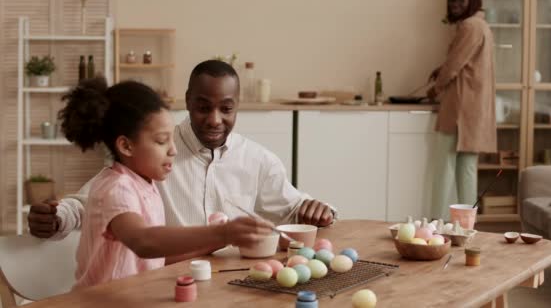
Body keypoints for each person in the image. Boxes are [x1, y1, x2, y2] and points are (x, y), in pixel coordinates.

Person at [28, 60, 335, 241]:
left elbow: (294, 207)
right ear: (187, 101)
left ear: (237, 106)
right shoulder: (152, 150)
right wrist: (57, 219)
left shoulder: (258, 160)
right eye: (203, 107)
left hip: (234, 285)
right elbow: (91, 202)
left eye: (226, 108)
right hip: (164, 284)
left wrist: (317, 210)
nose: (215, 119)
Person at [59, 79, 273, 288]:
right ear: (126, 146)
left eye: (172, 139)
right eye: (162, 141)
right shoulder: (117, 188)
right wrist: (222, 232)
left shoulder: (145, 185)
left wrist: (216, 242)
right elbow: (144, 242)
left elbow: (156, 256)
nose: (174, 150)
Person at [427, 0, 497, 220]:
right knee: (466, 169)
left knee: (444, 168)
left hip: (460, 107)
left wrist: (435, 89)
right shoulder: (481, 25)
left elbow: (455, 66)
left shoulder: (469, 26)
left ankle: (435, 225)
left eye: (460, 0)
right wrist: (441, 69)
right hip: (473, 110)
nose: (455, 5)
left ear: (472, 2)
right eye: (452, 0)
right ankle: (466, 227)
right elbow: (465, 62)